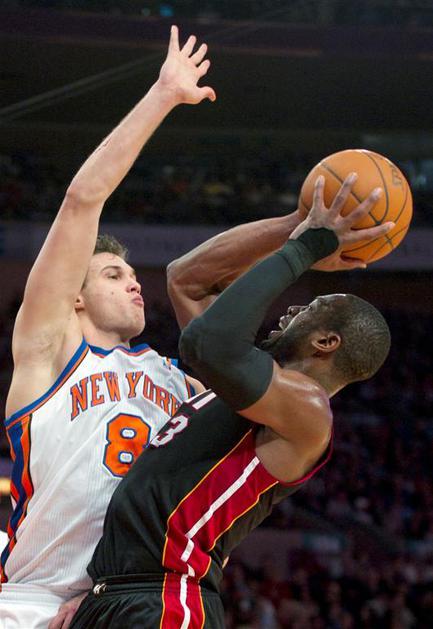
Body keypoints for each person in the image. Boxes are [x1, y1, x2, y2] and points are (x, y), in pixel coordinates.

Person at [0, 26, 333, 629]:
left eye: (133, 274)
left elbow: (206, 297)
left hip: (134, 594)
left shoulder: (179, 381)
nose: (134, 284)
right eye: (112, 274)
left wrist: (301, 226)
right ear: (73, 298)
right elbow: (82, 200)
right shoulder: (49, 352)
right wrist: (164, 95)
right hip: (35, 598)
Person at [69, 174, 393, 628]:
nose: (290, 309)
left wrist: (307, 249)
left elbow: (208, 342)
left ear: (326, 342)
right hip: (116, 593)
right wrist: (298, 224)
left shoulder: (309, 412)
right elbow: (186, 279)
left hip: (168, 600)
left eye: (308, 309)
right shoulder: (245, 386)